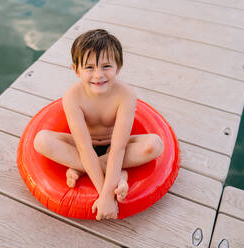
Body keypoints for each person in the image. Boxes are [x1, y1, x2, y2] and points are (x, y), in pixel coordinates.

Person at [33, 29, 163, 220]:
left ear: (118, 67)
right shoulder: (72, 96)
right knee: (41, 140)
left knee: (155, 144)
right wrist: (106, 195)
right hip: (83, 145)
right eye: (89, 67)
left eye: (106, 66)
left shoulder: (125, 95)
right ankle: (119, 175)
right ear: (76, 70)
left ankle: (80, 168)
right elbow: (84, 148)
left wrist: (105, 196)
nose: (98, 75)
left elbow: (119, 147)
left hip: (115, 146)